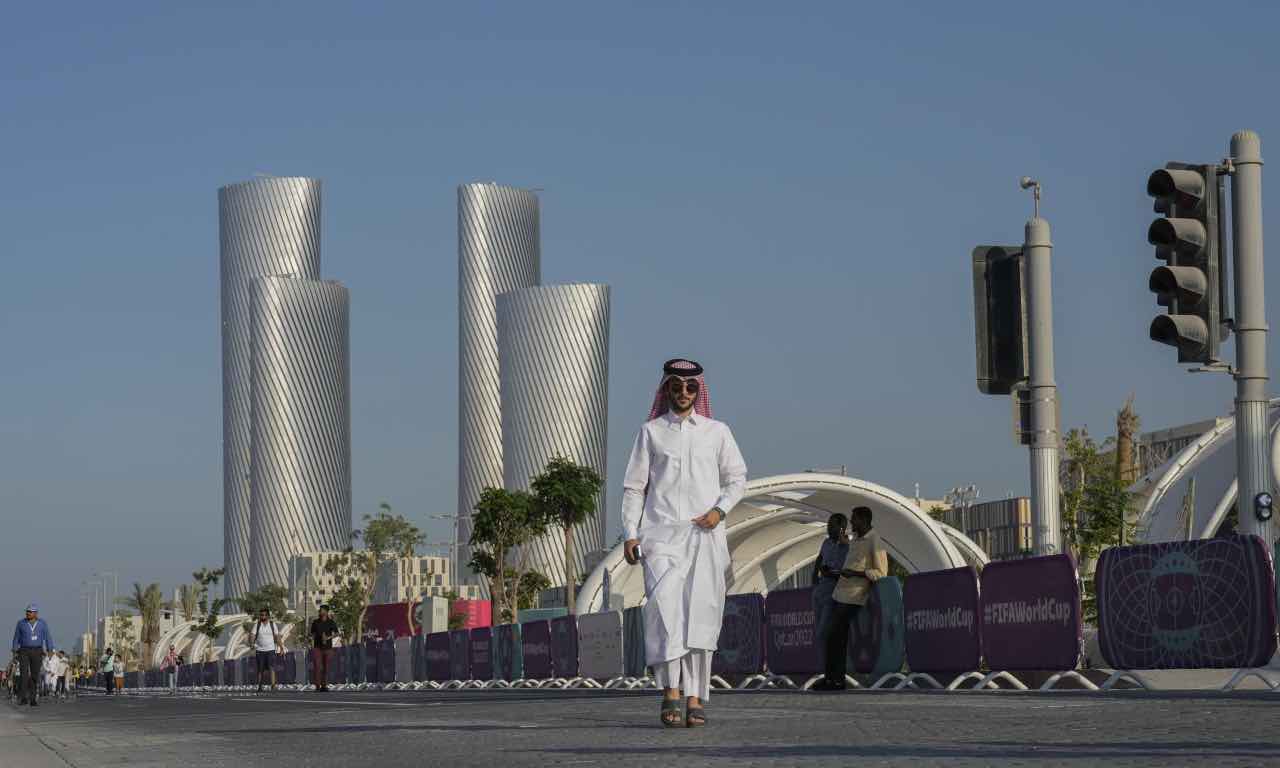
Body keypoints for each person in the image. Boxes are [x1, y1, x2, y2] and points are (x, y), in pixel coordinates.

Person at [622, 358, 747, 728]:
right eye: (676, 386)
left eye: (690, 387)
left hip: (704, 535)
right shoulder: (650, 432)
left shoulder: (717, 431)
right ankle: (670, 691)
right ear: (666, 389)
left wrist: (720, 511)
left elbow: (737, 478)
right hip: (660, 535)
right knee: (664, 611)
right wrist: (630, 531)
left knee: (700, 615)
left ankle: (695, 697)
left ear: (699, 390)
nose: (683, 393)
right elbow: (634, 486)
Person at [813, 506, 888, 691]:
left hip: (854, 596)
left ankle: (836, 680)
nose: (852, 523)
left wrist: (856, 573)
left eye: (854, 519)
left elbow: (881, 572)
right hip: (840, 593)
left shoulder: (874, 541)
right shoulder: (856, 541)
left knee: (834, 635)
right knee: (834, 638)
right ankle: (831, 678)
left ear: (864, 520)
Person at [810, 513, 850, 672]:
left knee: (823, 632)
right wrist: (815, 573)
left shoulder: (848, 546)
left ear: (841, 528)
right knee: (818, 631)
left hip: (834, 593)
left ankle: (827, 668)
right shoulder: (826, 542)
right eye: (828, 524)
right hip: (821, 590)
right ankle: (824, 666)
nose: (828, 528)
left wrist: (831, 573)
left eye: (831, 525)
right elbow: (820, 558)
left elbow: (848, 571)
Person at [11, 604, 54, 707]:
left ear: (35, 613)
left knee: (35, 675)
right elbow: (16, 637)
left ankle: (33, 699)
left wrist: (50, 649)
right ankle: (23, 698)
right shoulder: (21, 623)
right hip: (24, 651)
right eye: (27, 611)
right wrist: (14, 650)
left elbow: (48, 636)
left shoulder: (42, 624)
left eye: (30, 612)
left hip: (37, 651)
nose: (28, 613)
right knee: (24, 675)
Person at [250, 608, 282, 692]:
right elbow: (252, 635)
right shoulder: (257, 625)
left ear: (268, 616)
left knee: (272, 668)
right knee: (260, 669)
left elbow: (277, 636)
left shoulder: (272, 624)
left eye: (264, 615)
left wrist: (281, 647)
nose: (262, 616)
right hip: (260, 650)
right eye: (261, 615)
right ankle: (260, 686)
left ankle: (273, 685)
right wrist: (252, 644)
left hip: (271, 650)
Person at [309, 604, 339, 692]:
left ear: (326, 612)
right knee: (317, 667)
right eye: (320, 610)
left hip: (328, 648)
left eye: (321, 610)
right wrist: (311, 640)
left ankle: (324, 685)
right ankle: (317, 685)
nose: (320, 611)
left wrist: (328, 638)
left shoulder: (331, 622)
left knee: (326, 667)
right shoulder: (315, 622)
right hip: (317, 647)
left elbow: (337, 633)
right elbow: (312, 634)